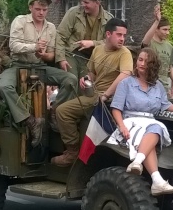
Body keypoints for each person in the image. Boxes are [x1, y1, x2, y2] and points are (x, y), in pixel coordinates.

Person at [0, 0, 77, 148]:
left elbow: (51, 55)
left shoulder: (51, 27)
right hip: (18, 65)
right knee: (4, 85)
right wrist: (34, 47)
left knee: (70, 80)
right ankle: (30, 121)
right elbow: (13, 46)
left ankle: (54, 112)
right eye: (38, 9)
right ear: (30, 7)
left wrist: (44, 54)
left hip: (40, 67)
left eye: (44, 10)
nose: (41, 13)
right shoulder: (20, 21)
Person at [109, 48, 173, 195]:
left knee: (152, 131)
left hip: (149, 123)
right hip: (131, 122)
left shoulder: (158, 86)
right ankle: (147, 171)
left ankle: (149, 173)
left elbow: (165, 105)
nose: (141, 63)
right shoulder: (126, 83)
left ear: (152, 65)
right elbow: (116, 108)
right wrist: (121, 127)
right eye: (140, 59)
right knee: (156, 129)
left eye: (146, 61)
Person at [54, 18, 133, 166]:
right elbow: (92, 74)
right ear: (108, 34)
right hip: (95, 94)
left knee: (62, 111)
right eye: (119, 34)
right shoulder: (98, 50)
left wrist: (105, 95)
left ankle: (72, 152)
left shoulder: (124, 53)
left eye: (124, 35)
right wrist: (85, 79)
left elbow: (125, 75)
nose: (122, 39)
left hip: (107, 98)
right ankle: (72, 148)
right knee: (62, 108)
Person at [56, 0, 114, 94]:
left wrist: (92, 43)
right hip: (72, 53)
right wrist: (61, 59)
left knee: (87, 88)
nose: (83, 5)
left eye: (86, 2)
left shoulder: (109, 19)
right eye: (82, 2)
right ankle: (62, 109)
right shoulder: (73, 13)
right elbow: (60, 35)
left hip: (93, 59)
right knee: (71, 82)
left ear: (97, 2)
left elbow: (111, 42)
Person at [142, 5, 173, 97]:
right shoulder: (149, 43)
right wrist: (157, 21)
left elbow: (169, 66)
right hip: (150, 86)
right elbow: (144, 41)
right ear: (156, 30)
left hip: (165, 89)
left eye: (168, 30)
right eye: (165, 29)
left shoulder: (169, 46)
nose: (167, 33)